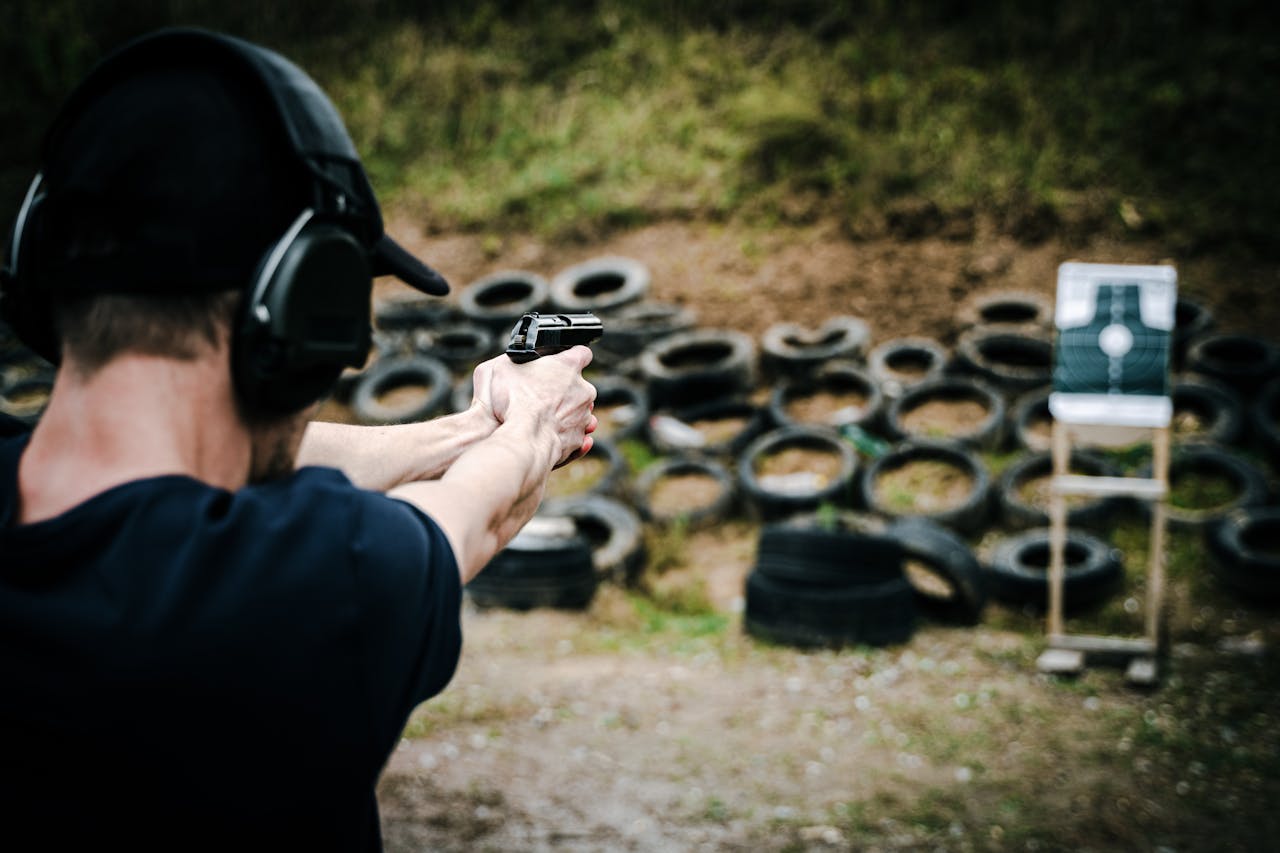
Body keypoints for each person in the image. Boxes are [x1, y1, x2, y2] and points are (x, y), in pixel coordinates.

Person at [0, 27, 596, 851]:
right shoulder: (295, 595)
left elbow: (226, 469)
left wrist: (468, 427)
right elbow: (473, 517)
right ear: (305, 308)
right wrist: (533, 421)